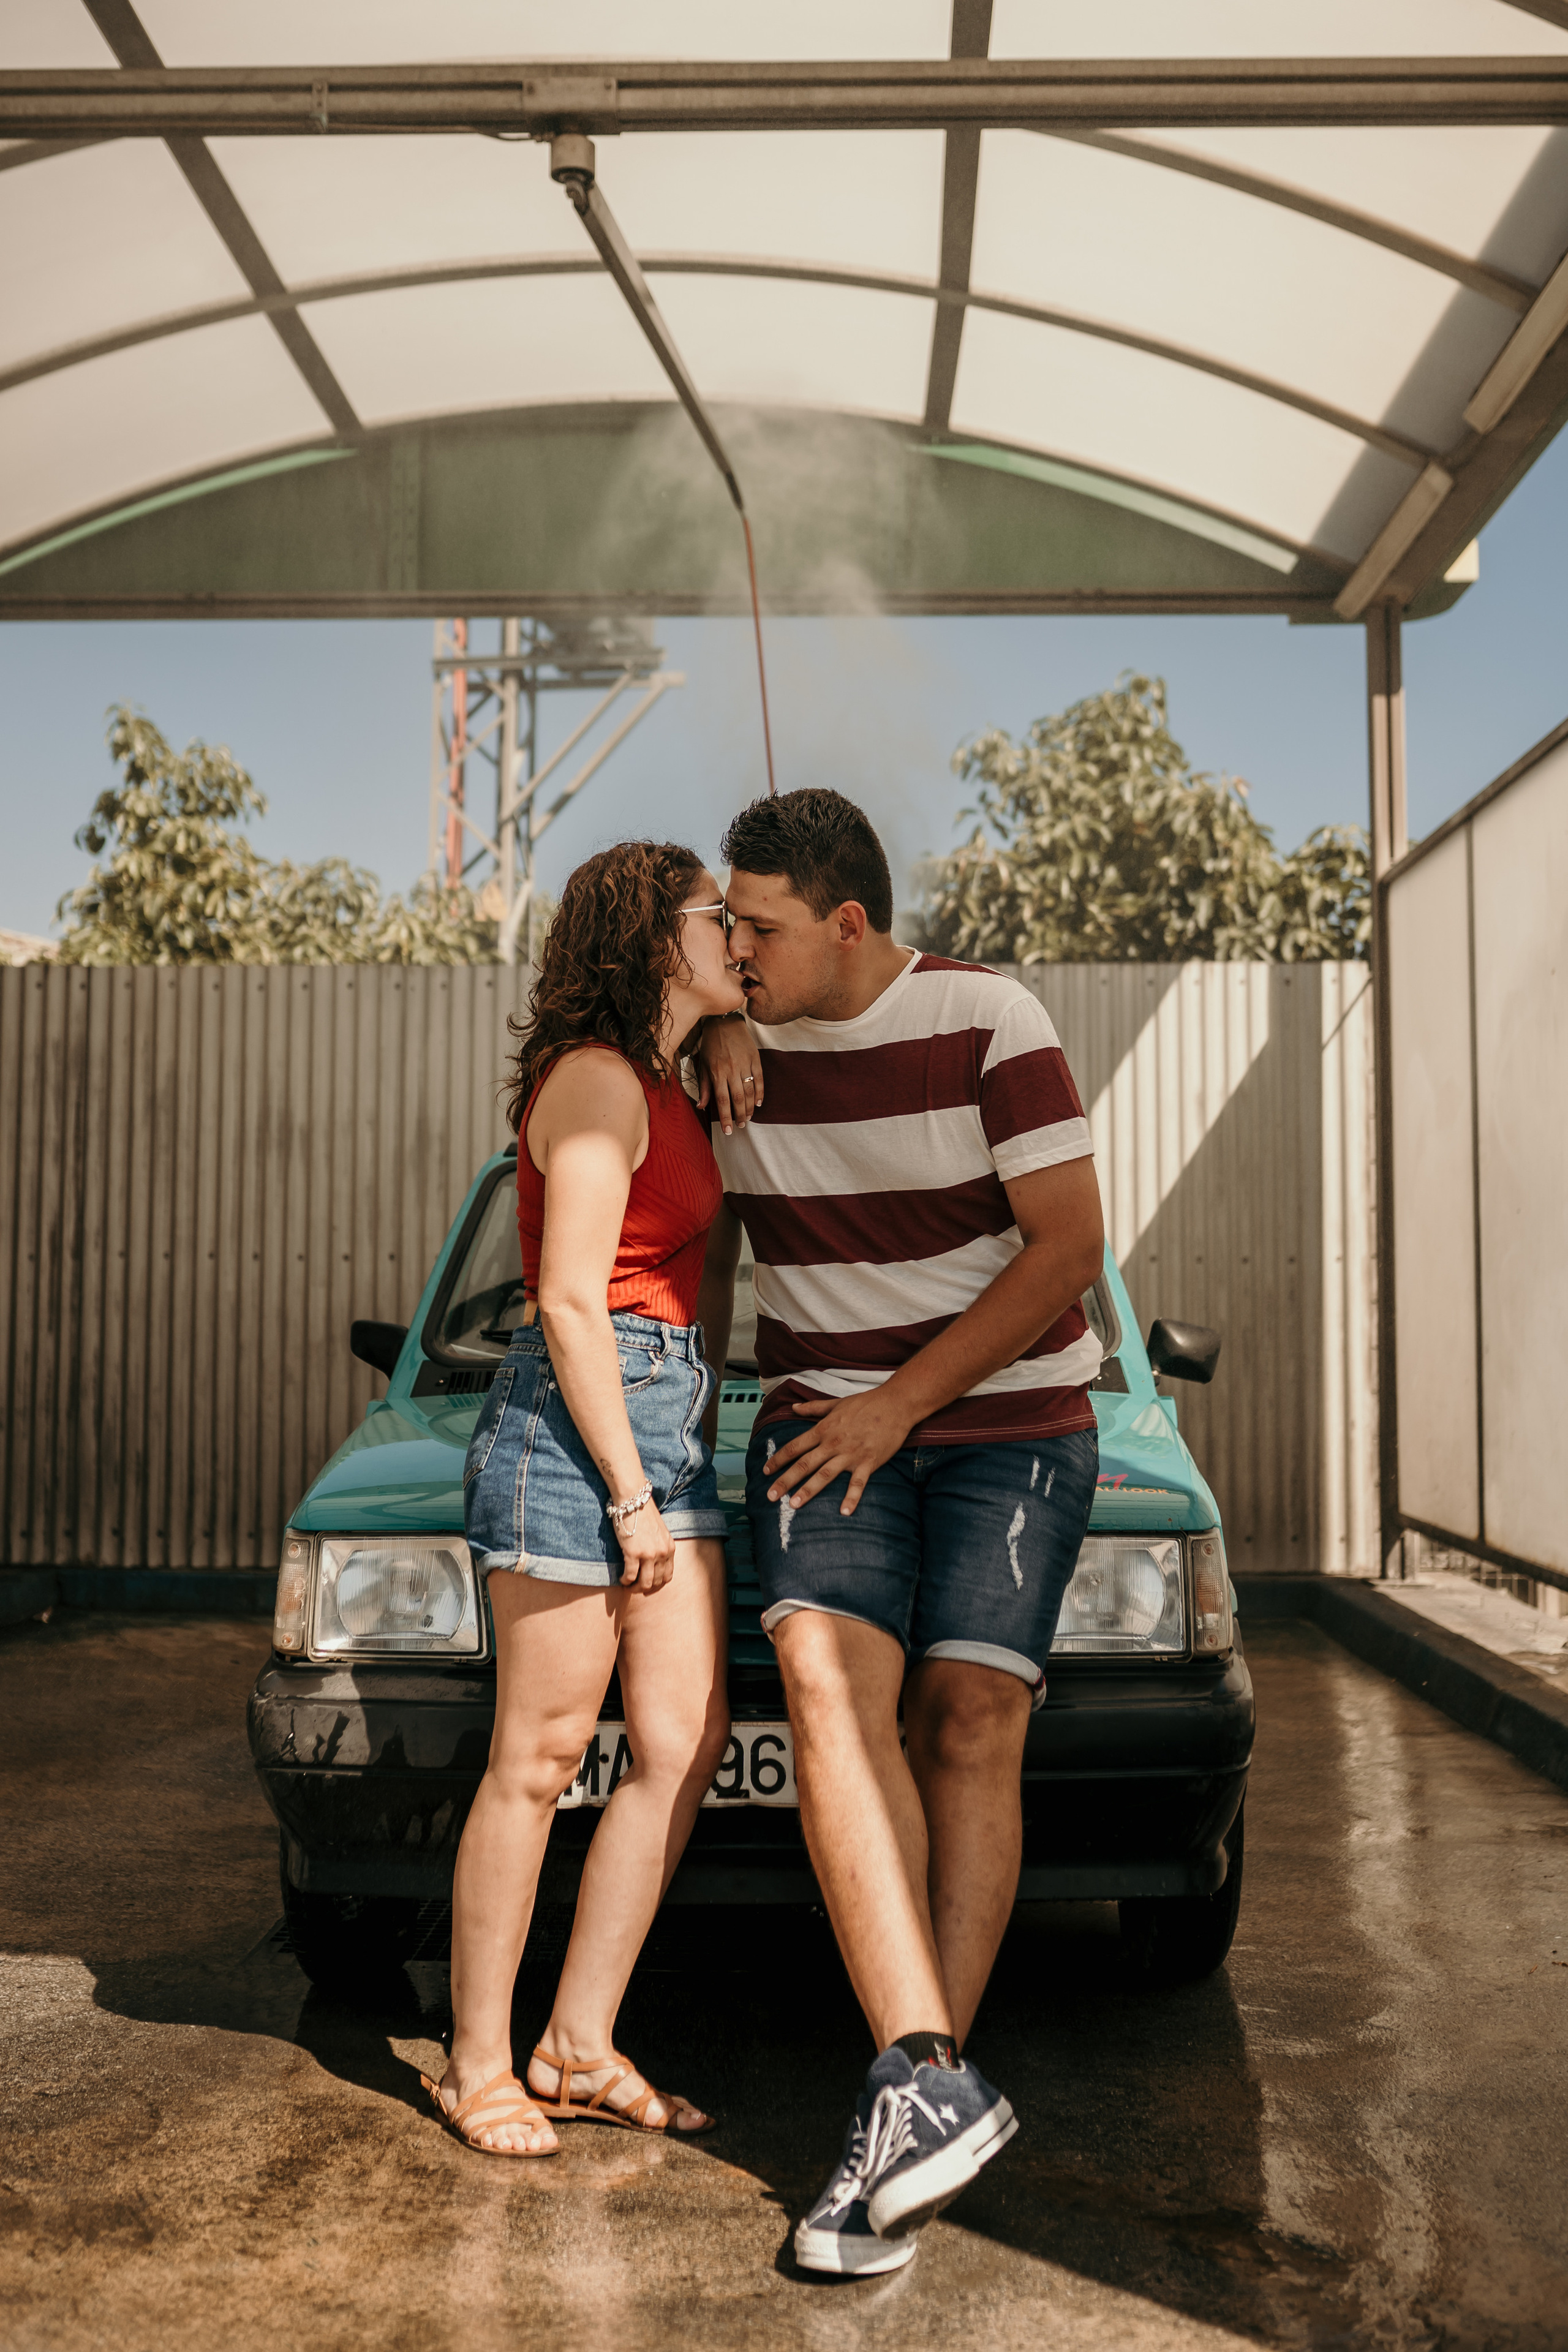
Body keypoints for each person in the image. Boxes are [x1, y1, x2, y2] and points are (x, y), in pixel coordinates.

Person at [695, 788, 1104, 2274]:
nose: (733, 949)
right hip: (821, 1428)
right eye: (722, 926)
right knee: (822, 1692)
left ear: (847, 924)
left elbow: (1068, 1250)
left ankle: (914, 2102)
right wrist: (705, 1018)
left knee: (970, 1715)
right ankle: (927, 2086)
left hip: (1010, 1422)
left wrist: (898, 1407)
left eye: (759, 928)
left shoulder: (992, 1020)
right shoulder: (715, 1048)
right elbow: (594, 1017)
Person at [425, 840, 745, 2157]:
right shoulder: (601, 1082)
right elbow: (566, 1299)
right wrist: (628, 1493)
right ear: (649, 936)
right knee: (538, 1760)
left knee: (682, 1742)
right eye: (714, 915)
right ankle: (474, 2064)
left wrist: (735, 1041)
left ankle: (577, 2042)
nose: (736, 926)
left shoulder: (667, 1076)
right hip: (577, 1431)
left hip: (658, 1421)